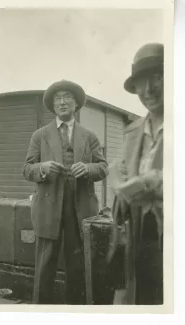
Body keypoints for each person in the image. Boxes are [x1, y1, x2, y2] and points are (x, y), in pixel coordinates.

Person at [23, 80, 108, 304]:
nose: (62, 102)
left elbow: (103, 167)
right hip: (48, 210)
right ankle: (40, 314)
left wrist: (88, 168)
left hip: (79, 210)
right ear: (52, 105)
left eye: (67, 97)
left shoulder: (89, 136)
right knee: (45, 267)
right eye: (58, 98)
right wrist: (42, 168)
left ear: (76, 103)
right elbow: (26, 169)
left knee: (76, 267)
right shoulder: (39, 136)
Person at [109, 43, 164, 305]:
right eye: (141, 82)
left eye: (158, 77)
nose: (149, 89)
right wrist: (117, 179)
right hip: (139, 240)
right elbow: (121, 169)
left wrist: (160, 183)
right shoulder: (133, 131)